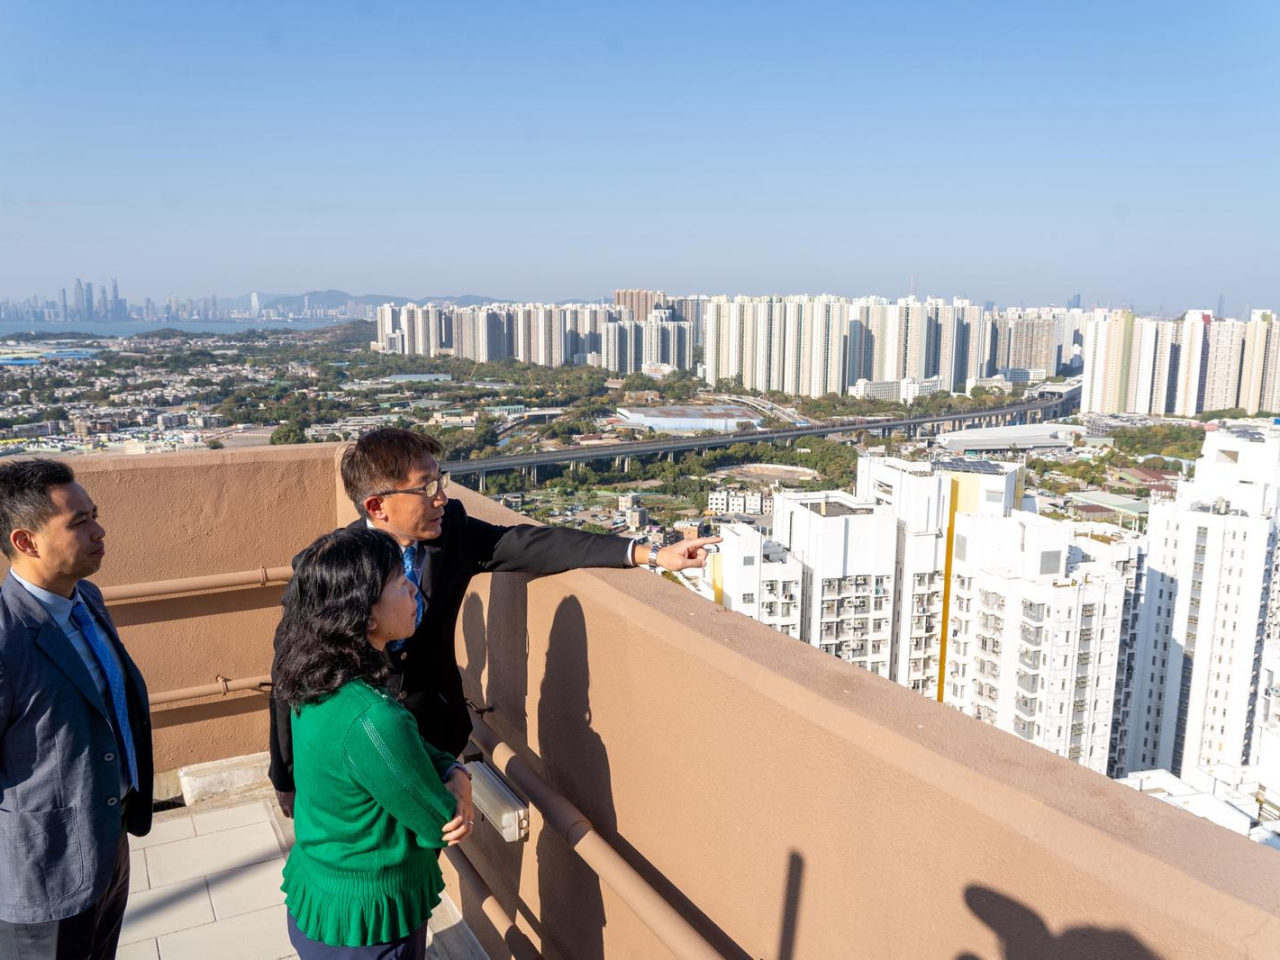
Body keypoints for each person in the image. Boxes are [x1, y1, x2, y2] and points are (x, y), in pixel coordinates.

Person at [268, 428, 718, 824]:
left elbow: (529, 543)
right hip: (365, 750)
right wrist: (285, 776)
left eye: (440, 480)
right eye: (425, 488)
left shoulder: (453, 532)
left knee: (431, 855)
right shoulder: (330, 571)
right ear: (376, 505)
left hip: (436, 737)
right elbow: (289, 673)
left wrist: (649, 554)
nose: (441, 497)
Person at [274, 527, 463, 959]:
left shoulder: (312, 676)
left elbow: (391, 750)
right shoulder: (372, 718)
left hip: (322, 897)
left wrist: (449, 766)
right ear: (367, 616)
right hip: (367, 925)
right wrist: (461, 784)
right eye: (401, 583)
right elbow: (440, 821)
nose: (414, 588)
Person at [0, 459, 153, 960]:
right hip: (44, 875)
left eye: (95, 514)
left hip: (108, 845)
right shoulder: (6, 637)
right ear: (26, 542)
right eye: (79, 522)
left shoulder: (86, 597)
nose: (99, 530)